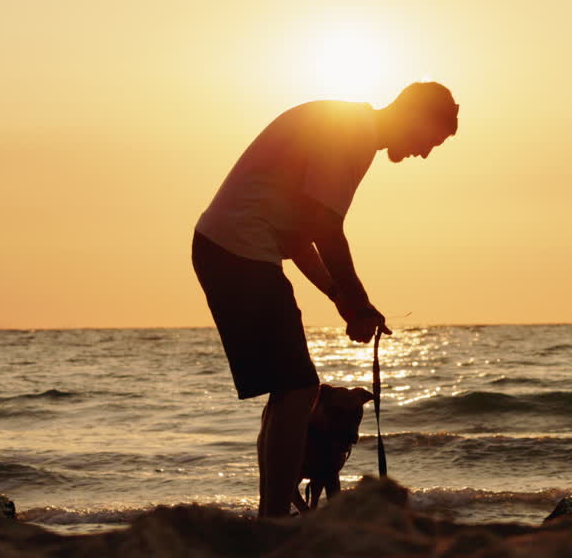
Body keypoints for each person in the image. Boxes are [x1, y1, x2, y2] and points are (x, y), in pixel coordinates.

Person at [191, 81, 459, 518]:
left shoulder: (351, 128)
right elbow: (326, 231)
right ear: (417, 116)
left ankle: (272, 515)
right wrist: (357, 300)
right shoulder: (350, 134)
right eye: (431, 140)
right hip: (238, 249)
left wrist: (342, 297)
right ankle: (274, 518)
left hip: (230, 248)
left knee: (289, 390)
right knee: (298, 389)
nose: (425, 153)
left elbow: (298, 234)